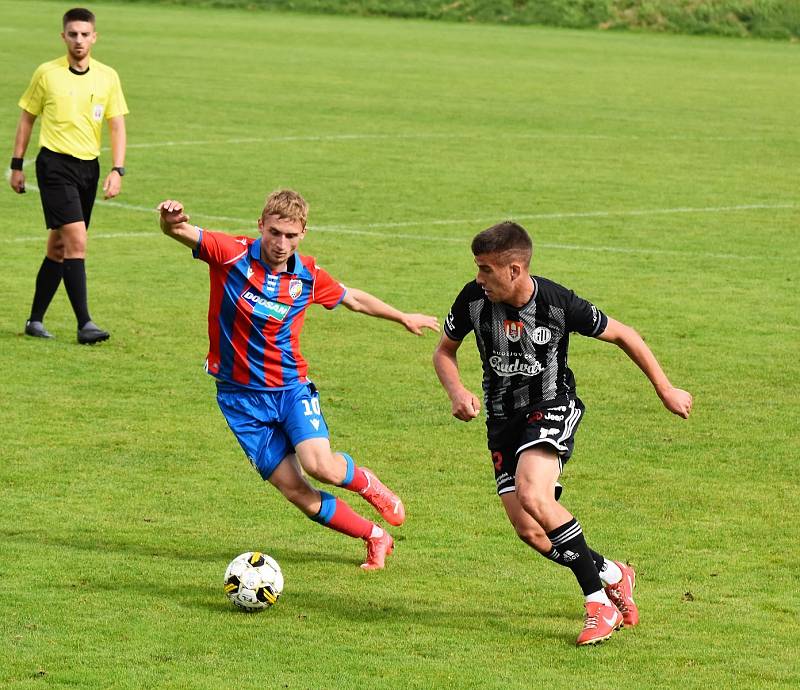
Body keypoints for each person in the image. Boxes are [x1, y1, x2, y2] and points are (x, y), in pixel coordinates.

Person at [432, 221, 692, 645]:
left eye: (486, 269)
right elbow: (444, 351)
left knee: (534, 494)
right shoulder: (472, 300)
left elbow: (624, 334)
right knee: (530, 530)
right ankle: (611, 573)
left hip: (551, 406)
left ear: (514, 269)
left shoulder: (557, 303)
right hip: (502, 421)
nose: (479, 279)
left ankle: (598, 604)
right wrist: (456, 390)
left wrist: (665, 388)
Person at [158, 191, 439, 570]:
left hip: (289, 389)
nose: (281, 244)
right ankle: (374, 536)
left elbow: (352, 298)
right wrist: (171, 220)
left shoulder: (306, 276)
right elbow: (179, 231)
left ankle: (370, 486)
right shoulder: (231, 254)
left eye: (291, 236)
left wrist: (401, 315)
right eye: (275, 233)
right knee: (296, 491)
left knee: (320, 464)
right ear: (261, 226)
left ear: (303, 232)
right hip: (239, 400)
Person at [9, 7, 128, 344]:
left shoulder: (108, 76)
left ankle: (35, 320)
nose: (79, 40)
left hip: (88, 168)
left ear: (94, 37)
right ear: (63, 36)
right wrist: (17, 165)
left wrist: (117, 169)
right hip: (54, 166)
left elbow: (117, 125)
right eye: (72, 34)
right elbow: (27, 118)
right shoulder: (47, 74)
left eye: (84, 34)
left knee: (59, 247)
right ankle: (85, 324)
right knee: (77, 240)